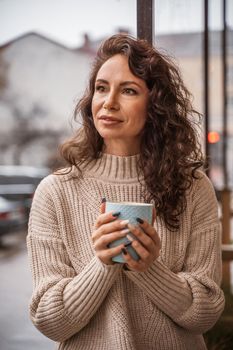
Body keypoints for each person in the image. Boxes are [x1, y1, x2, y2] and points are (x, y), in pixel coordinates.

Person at [27, 34, 225, 350]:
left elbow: (206, 315)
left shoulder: (193, 186)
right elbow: (50, 321)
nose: (109, 102)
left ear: (156, 104)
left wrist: (149, 269)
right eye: (101, 88)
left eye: (128, 90)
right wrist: (103, 264)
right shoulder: (55, 192)